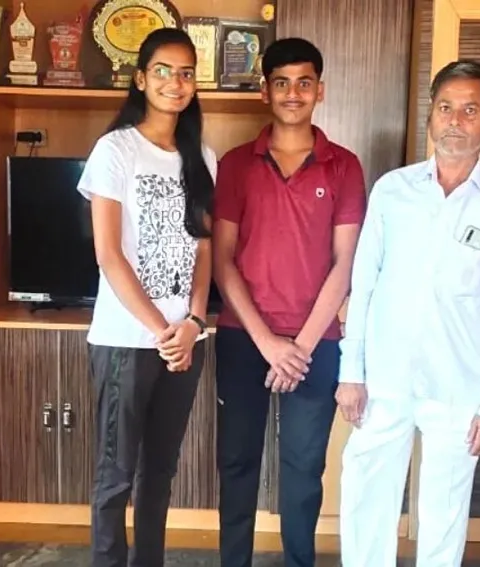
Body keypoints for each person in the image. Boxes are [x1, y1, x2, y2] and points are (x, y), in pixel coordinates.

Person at [336, 59, 480, 567]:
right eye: (445, 108)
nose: (455, 121)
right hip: (384, 376)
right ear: (430, 115)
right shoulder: (392, 190)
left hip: (459, 384)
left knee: (444, 508)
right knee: (366, 495)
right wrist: (350, 372)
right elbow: (364, 282)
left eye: (470, 110)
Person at [211, 37, 367, 567]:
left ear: (319, 91)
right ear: (264, 91)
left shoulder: (344, 166)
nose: (293, 93)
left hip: (316, 343)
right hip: (242, 338)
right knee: (237, 463)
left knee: (303, 469)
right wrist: (266, 342)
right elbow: (223, 260)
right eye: (282, 82)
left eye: (304, 82)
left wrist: (295, 347)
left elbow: (346, 264)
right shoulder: (235, 164)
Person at [76, 28, 216, 567]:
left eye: (185, 73)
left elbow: (203, 251)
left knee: (159, 473)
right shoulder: (115, 150)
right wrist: (165, 331)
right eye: (162, 70)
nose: (174, 83)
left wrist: (195, 323)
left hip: (185, 341)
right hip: (127, 342)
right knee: (115, 477)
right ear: (140, 79)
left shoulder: (200, 155)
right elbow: (109, 255)